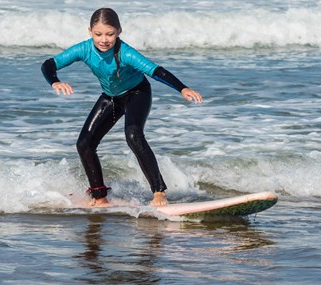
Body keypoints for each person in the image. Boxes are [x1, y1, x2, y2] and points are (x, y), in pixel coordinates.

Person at [41, 7, 203, 207]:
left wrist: (182, 88)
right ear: (90, 31)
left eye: (110, 34)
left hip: (137, 93)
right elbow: (49, 64)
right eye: (98, 34)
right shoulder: (83, 49)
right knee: (84, 144)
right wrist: (55, 81)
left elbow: (155, 70)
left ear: (119, 31)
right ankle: (100, 197)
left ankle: (159, 191)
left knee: (133, 135)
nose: (104, 40)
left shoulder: (125, 52)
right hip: (111, 97)